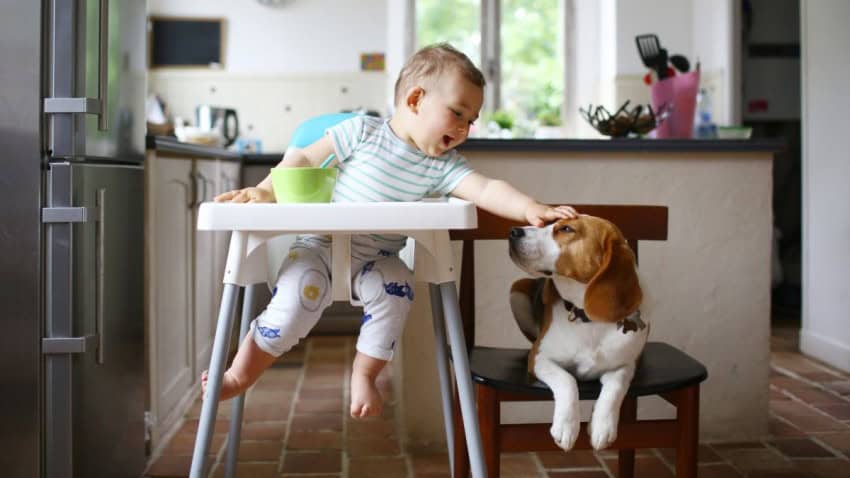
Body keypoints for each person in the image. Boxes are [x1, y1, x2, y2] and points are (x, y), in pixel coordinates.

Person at [206, 43, 577, 418]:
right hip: (318, 247)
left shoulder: (442, 166)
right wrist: (266, 191)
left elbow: (485, 188)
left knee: (396, 289)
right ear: (416, 99)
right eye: (458, 113)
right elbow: (303, 159)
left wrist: (532, 208)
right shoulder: (360, 131)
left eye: (472, 119)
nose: (466, 128)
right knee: (291, 306)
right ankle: (239, 375)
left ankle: (365, 373)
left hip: (378, 259)